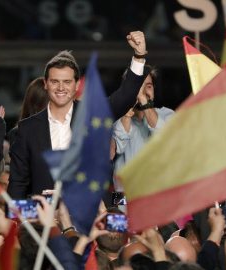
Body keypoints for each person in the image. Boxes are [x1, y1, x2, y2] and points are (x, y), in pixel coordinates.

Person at [8, 31, 148, 199]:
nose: (61, 88)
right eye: (55, 81)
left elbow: (125, 96)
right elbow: (18, 184)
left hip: (88, 217)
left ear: (76, 85)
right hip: (44, 220)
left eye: (67, 82)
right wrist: (18, 221)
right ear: (45, 84)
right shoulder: (27, 128)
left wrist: (139, 56)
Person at [112, 65, 175, 191]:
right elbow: (116, 149)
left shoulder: (167, 115)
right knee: (118, 208)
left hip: (158, 199)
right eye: (139, 86)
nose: (144, 91)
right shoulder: (118, 120)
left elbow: (165, 139)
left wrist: (143, 100)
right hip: (125, 201)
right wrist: (127, 107)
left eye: (149, 86)